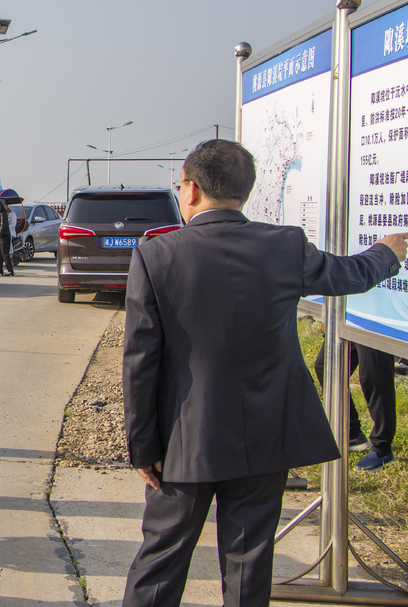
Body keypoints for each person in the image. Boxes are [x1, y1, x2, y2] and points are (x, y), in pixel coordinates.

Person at [121, 139, 407, 607]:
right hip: (264, 439)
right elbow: (350, 275)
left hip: (183, 443)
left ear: (190, 190)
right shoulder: (285, 245)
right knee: (249, 567)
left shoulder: (156, 255)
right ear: (245, 192)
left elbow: (139, 362)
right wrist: (387, 251)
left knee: (160, 564)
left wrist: (143, 446)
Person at [313, 340, 397, 470]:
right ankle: (352, 433)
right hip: (345, 325)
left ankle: (382, 447)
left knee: (373, 375)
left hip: (375, 328)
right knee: (326, 367)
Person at [0, 200, 13, 276]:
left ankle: (10, 270)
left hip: (4, 236)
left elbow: (2, 226)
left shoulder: (3, 214)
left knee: (5, 254)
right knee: (0, 254)